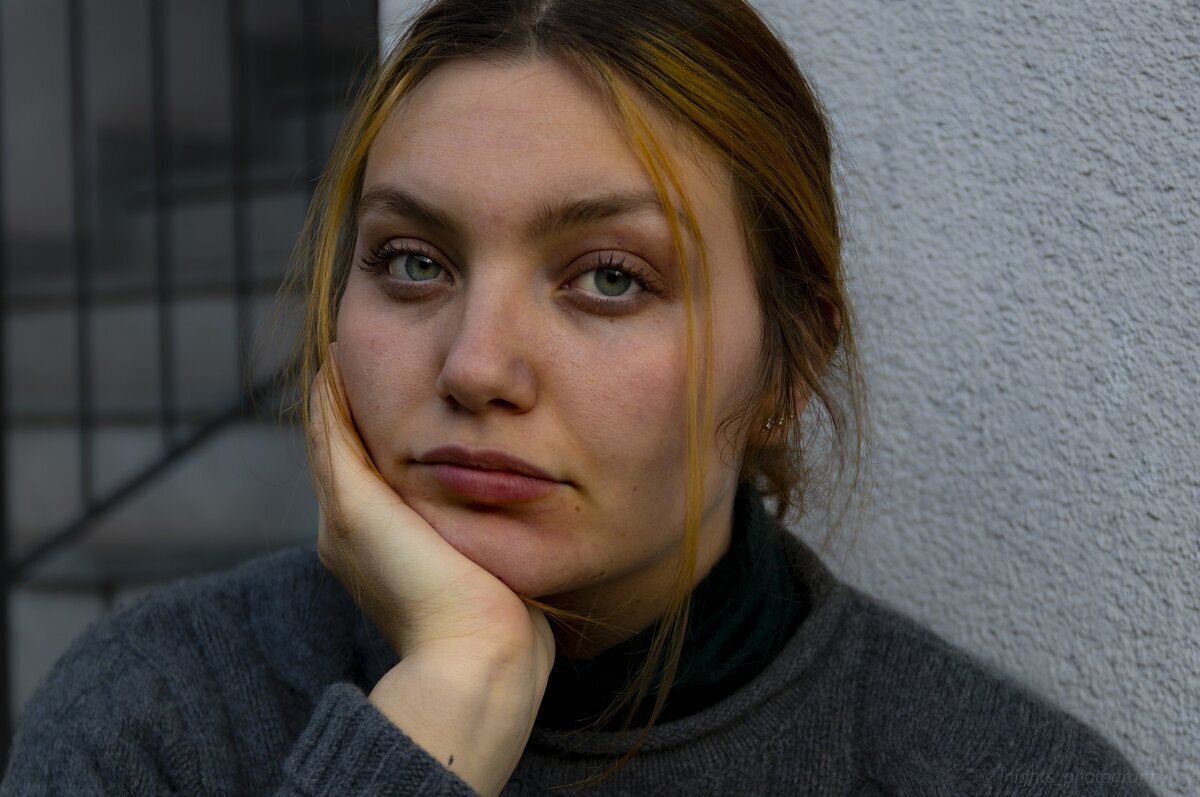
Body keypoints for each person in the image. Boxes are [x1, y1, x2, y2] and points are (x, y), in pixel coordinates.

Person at [1, 0, 1157, 794]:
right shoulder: (158, 718)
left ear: (789, 362)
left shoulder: (998, 774)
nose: (476, 366)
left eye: (610, 277)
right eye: (414, 260)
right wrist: (444, 704)